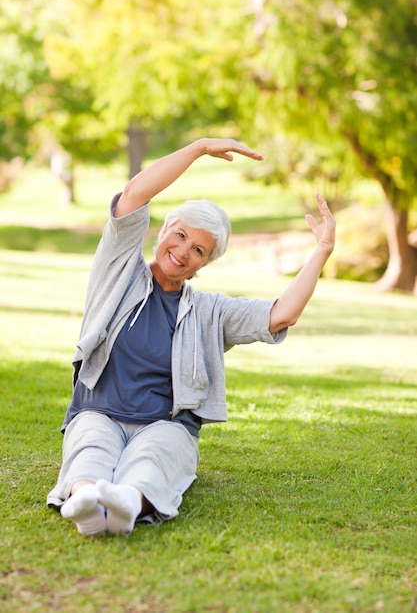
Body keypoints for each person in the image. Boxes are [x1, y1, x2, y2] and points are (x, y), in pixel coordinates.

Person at [47, 138, 336, 536]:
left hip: (165, 425)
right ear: (164, 229)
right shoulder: (119, 273)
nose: (183, 252)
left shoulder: (209, 312)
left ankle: (126, 502)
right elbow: (133, 193)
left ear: (205, 263)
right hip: (99, 411)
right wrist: (198, 148)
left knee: (155, 457)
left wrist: (321, 250)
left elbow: (282, 314)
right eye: (180, 235)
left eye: (198, 249)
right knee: (91, 446)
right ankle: (86, 502)